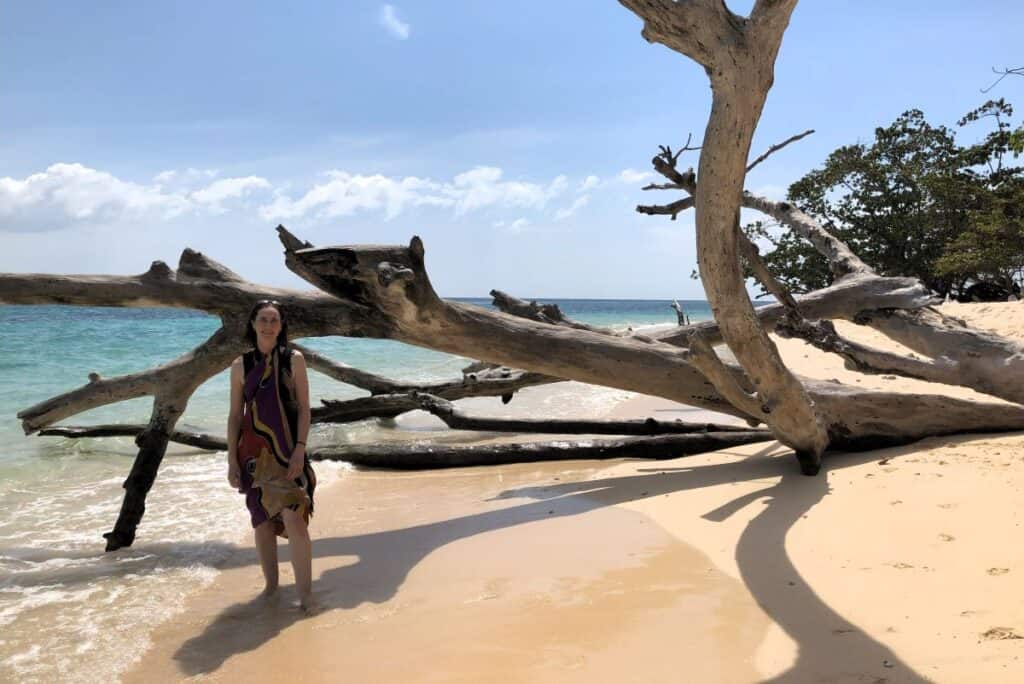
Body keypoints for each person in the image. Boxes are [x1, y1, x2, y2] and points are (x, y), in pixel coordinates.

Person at [227, 300, 317, 612]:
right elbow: (235, 417)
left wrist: (299, 450)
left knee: (294, 517)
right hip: (253, 453)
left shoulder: (294, 359)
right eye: (263, 319)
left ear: (281, 326)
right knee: (262, 520)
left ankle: (305, 594)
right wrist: (231, 460)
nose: (268, 325)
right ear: (253, 324)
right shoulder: (240, 366)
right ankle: (271, 588)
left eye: (274, 320)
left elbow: (305, 409)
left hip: (288, 449)